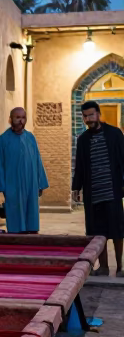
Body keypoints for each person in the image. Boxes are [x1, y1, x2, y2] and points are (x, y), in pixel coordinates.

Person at [72, 99, 124, 276]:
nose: (89, 119)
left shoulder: (115, 134)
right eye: (85, 116)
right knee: (98, 232)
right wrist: (76, 188)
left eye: (91, 115)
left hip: (113, 191)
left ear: (98, 114)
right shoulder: (83, 140)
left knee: (117, 230)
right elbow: (79, 166)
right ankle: (103, 267)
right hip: (93, 194)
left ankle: (120, 267)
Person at [0, 107, 49, 233]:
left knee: (31, 211)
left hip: (31, 182)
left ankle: (32, 233)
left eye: (23, 118)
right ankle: (15, 236)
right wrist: (1, 186)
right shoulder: (3, 140)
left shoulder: (30, 138)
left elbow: (37, 160)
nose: (20, 121)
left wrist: (41, 183)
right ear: (10, 119)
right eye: (17, 118)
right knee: (14, 210)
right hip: (12, 184)